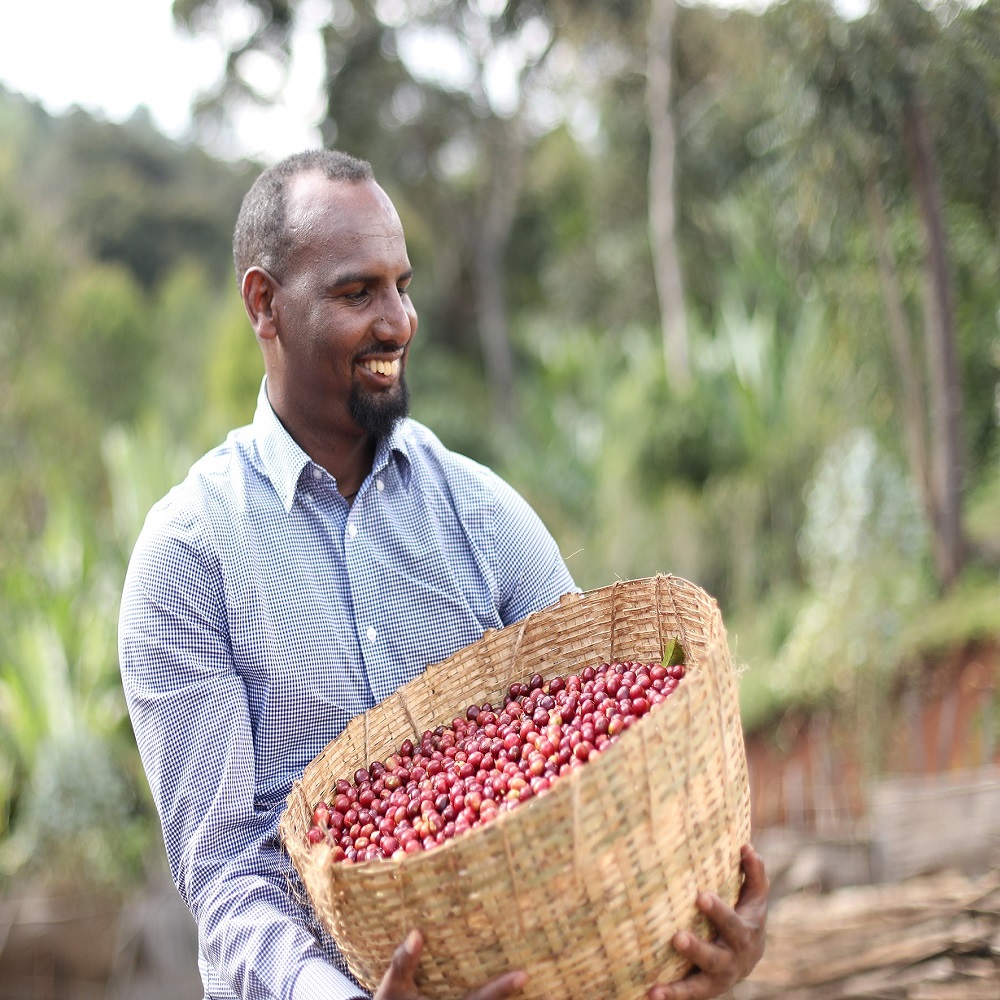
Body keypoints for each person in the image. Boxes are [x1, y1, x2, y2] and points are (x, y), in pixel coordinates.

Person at [118, 148, 768, 1000]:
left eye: (403, 286)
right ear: (264, 303)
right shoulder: (188, 559)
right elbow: (228, 876)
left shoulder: (480, 513)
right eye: (358, 293)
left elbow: (597, 747)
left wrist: (700, 927)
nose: (399, 322)